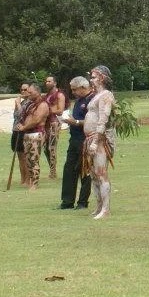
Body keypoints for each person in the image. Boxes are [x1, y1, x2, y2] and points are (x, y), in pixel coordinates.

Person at [83, 65, 117, 220]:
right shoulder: (96, 95)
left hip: (98, 139)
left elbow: (103, 119)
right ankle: (98, 207)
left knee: (101, 174)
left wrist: (96, 141)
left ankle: (106, 209)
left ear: (102, 78)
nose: (91, 80)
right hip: (89, 137)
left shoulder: (106, 95)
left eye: (94, 77)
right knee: (94, 176)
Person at [58, 76, 93, 210]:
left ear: (83, 87)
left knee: (85, 171)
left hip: (86, 139)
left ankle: (83, 202)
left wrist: (77, 122)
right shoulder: (79, 100)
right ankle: (67, 202)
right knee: (69, 170)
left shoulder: (92, 100)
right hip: (74, 139)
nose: (73, 93)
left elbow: (93, 121)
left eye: (74, 90)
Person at [15, 83, 48, 190]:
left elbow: (37, 120)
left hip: (36, 134)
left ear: (37, 92)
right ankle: (30, 181)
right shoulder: (30, 104)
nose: (28, 94)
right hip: (27, 134)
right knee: (28, 160)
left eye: (30, 92)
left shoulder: (43, 105)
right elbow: (22, 116)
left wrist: (24, 127)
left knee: (34, 159)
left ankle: (35, 183)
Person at [42, 75, 68, 180]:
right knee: (45, 148)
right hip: (46, 124)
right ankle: (51, 169)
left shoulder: (59, 95)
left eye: (49, 81)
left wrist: (47, 110)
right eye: (46, 81)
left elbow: (60, 110)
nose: (47, 83)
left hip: (54, 122)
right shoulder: (47, 95)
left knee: (51, 147)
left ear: (55, 83)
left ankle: (53, 172)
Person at [10, 82, 30, 185]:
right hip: (16, 130)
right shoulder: (21, 102)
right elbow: (16, 116)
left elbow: (22, 115)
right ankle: (23, 178)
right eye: (21, 90)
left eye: (25, 89)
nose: (23, 92)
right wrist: (17, 104)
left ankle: (28, 179)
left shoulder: (30, 102)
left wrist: (17, 104)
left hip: (24, 131)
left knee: (25, 156)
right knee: (19, 156)